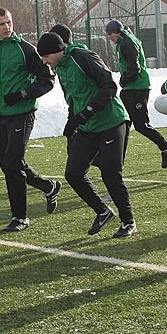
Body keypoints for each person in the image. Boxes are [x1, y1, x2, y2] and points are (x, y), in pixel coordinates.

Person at [0, 7, 60, 232]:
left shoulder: (25, 49)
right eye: (1, 24)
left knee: (12, 164)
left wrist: (22, 95)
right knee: (8, 165)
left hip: (22, 113)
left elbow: (47, 80)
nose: (6, 27)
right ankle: (48, 186)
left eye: (8, 22)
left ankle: (20, 217)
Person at [37, 32, 137, 237]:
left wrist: (85, 113)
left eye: (46, 56)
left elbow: (109, 86)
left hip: (112, 121)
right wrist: (72, 120)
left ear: (58, 50)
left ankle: (129, 221)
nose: (44, 61)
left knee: (111, 174)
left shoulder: (83, 57)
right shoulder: (61, 68)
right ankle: (103, 211)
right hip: (87, 126)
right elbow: (73, 97)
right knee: (73, 173)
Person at [105, 19, 167, 168]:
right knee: (123, 124)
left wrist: (123, 80)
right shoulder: (123, 41)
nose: (109, 37)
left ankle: (165, 147)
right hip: (130, 88)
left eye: (110, 34)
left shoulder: (128, 43)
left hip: (138, 87)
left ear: (117, 32)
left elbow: (134, 68)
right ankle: (118, 162)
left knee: (141, 125)